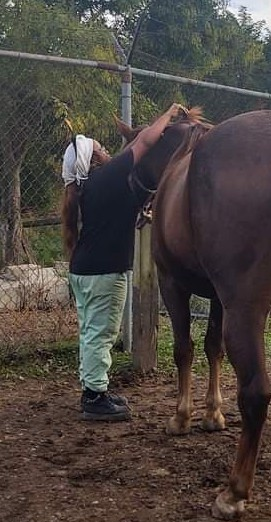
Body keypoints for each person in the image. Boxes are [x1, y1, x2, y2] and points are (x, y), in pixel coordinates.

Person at [61, 103, 185, 422]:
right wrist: (170, 113)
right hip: (103, 272)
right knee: (101, 334)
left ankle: (94, 389)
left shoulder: (88, 189)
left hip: (85, 269)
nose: (107, 150)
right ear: (93, 160)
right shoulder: (109, 176)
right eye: (100, 148)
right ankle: (94, 399)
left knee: (92, 331)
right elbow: (144, 142)